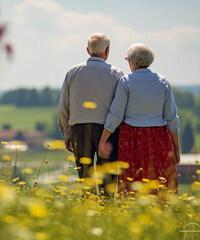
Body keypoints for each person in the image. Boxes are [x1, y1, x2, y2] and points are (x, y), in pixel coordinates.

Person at [98, 43, 180, 195]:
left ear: (131, 61)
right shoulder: (162, 82)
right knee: (159, 177)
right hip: (159, 136)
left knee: (132, 180)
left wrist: (103, 140)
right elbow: (172, 118)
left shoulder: (126, 81)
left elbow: (116, 115)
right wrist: (176, 147)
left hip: (131, 137)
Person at [57, 33, 123, 192]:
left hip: (79, 130)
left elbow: (63, 107)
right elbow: (120, 107)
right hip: (108, 132)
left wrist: (67, 133)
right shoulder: (116, 73)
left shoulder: (72, 72)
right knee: (107, 179)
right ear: (107, 51)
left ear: (88, 50)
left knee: (85, 180)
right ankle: (106, 211)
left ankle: (87, 211)